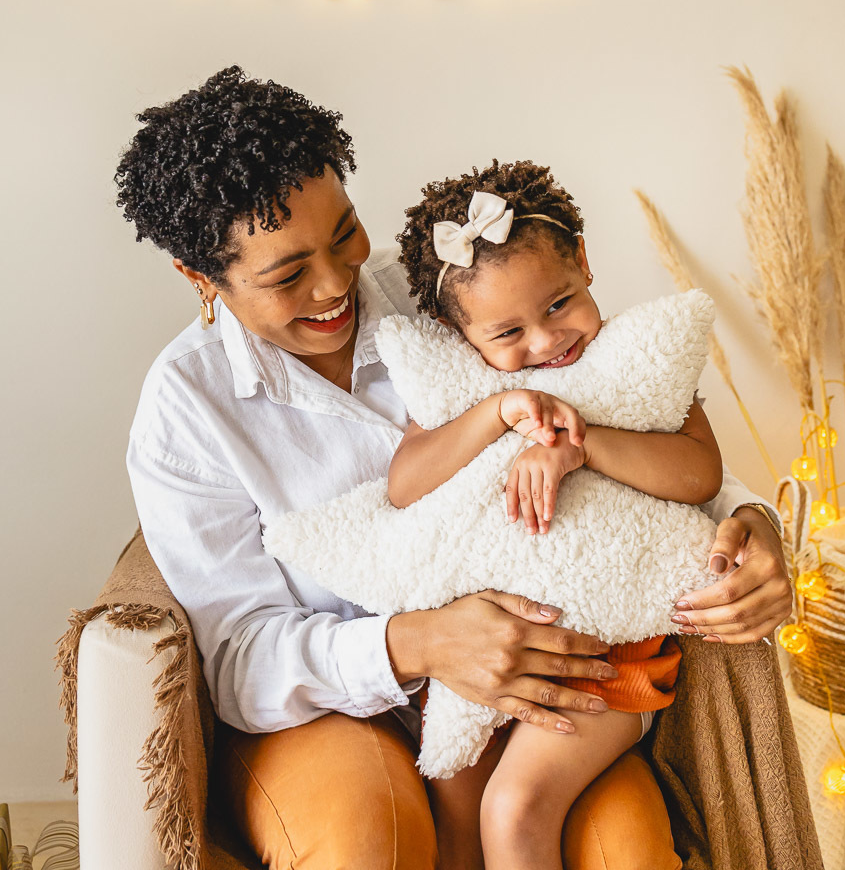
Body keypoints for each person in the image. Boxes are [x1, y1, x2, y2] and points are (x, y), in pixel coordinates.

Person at [117, 66, 793, 870]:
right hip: (340, 709)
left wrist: (753, 527)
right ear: (201, 280)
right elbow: (236, 660)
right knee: (372, 844)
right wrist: (419, 644)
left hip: (549, 678)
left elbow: (622, 409)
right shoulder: (186, 411)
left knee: (627, 851)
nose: (337, 286)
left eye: (344, 235)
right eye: (286, 275)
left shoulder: (456, 293)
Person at [388, 162, 723, 870]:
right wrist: (497, 414)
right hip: (488, 659)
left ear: (584, 264)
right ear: (460, 335)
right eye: (505, 331)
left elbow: (698, 476)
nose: (543, 343)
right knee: (453, 797)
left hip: (603, 664)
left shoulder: (634, 366)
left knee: (515, 811)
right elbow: (404, 485)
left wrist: (581, 446)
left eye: (558, 304)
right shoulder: (466, 390)